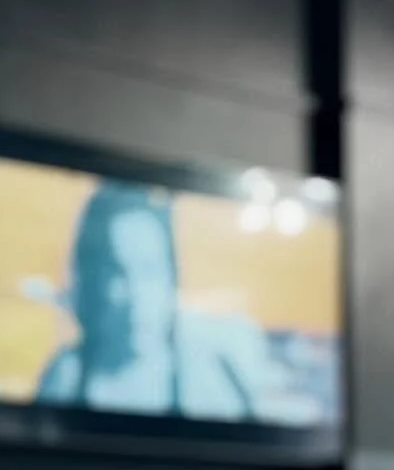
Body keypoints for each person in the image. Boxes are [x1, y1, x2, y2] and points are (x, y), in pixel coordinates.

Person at [36, 182, 325, 428]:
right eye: (119, 273)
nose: (136, 296)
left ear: (170, 279)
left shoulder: (212, 375)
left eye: (149, 272)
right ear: (92, 283)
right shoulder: (66, 376)